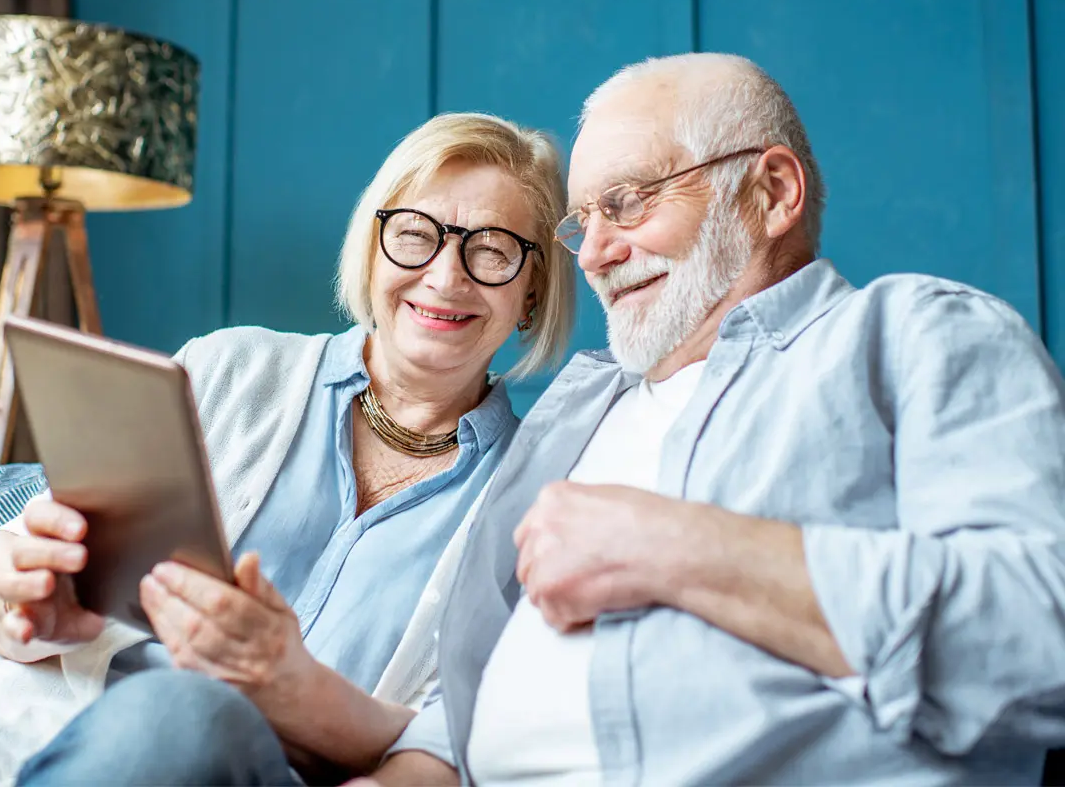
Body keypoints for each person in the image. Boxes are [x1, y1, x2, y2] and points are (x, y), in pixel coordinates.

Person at [365, 53, 1065, 785]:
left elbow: (1038, 629)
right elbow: (467, 700)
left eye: (629, 200)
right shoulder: (577, 415)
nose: (596, 253)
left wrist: (675, 545)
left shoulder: (911, 336)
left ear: (772, 191)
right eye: (583, 221)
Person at [0, 111, 576, 785]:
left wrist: (285, 682)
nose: (446, 276)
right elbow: (11, 568)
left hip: (233, 758)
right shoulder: (227, 368)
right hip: (17, 715)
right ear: (373, 244)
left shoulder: (535, 501)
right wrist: (20, 592)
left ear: (534, 291)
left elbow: (455, 739)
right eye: (417, 235)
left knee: (185, 714)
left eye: (491, 251)